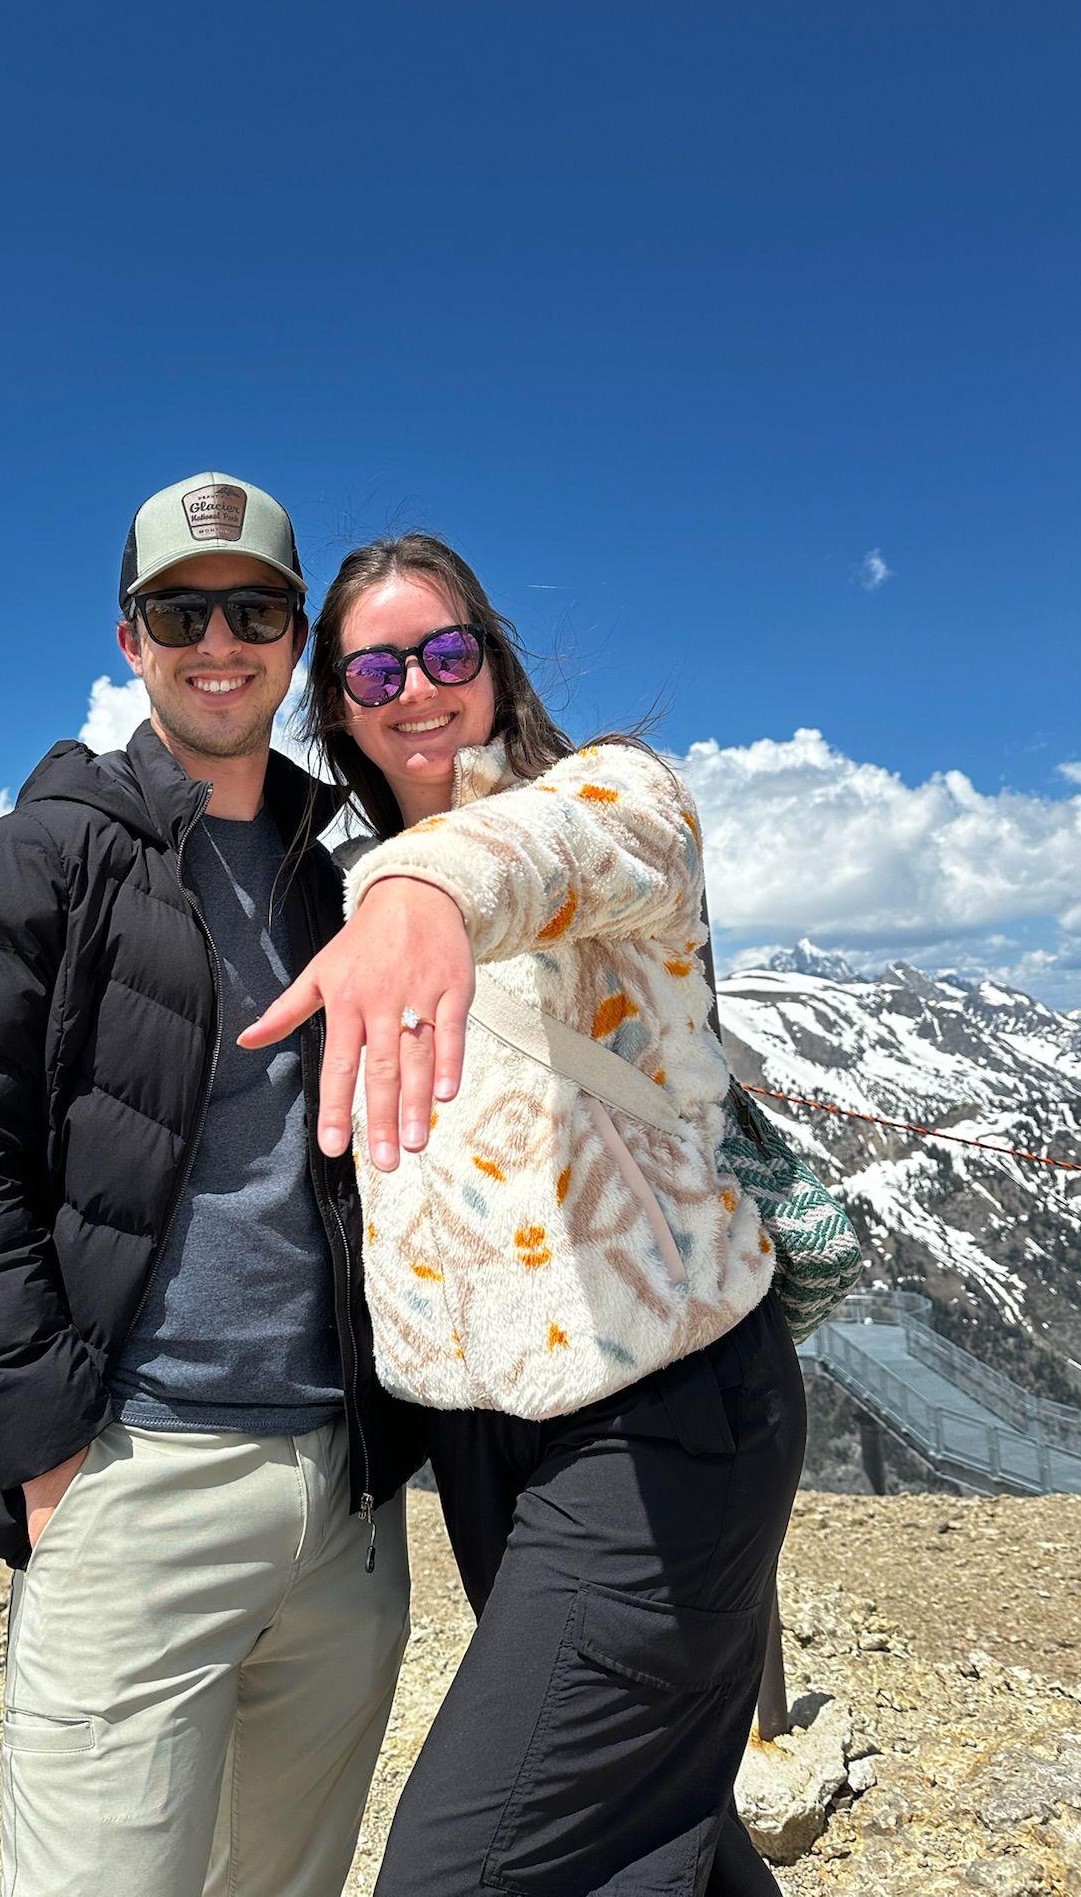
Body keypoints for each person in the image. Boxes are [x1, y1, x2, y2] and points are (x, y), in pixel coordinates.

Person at [240, 532, 806, 1895]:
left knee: (468, 1868)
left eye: (446, 652)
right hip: (492, 1436)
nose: (417, 689)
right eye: (375, 671)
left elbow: (569, 844)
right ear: (341, 710)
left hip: (660, 1414)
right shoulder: (345, 891)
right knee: (649, 1823)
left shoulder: (606, 795)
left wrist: (423, 887)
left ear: (492, 663)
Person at [0, 474, 425, 1897]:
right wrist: (46, 1451)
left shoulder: (344, 875)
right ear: (131, 639)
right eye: (181, 614)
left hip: (345, 1497)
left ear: (297, 639)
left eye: (254, 611)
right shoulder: (38, 859)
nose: (219, 643)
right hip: (135, 1475)